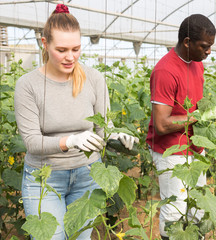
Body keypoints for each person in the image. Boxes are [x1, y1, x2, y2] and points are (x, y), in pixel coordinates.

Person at [14, 4, 138, 240]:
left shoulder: (94, 79)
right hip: (45, 179)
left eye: (76, 49)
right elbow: (31, 142)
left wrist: (116, 138)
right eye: (61, 49)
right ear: (44, 44)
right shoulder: (27, 85)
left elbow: (104, 129)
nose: (70, 57)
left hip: (87, 176)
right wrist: (70, 141)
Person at [146, 14, 216, 239]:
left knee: (197, 204)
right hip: (171, 149)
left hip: (194, 145)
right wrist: (200, 116)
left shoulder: (197, 65)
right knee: (176, 208)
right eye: (204, 47)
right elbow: (162, 124)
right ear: (187, 42)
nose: (208, 52)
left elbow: (196, 104)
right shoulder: (165, 70)